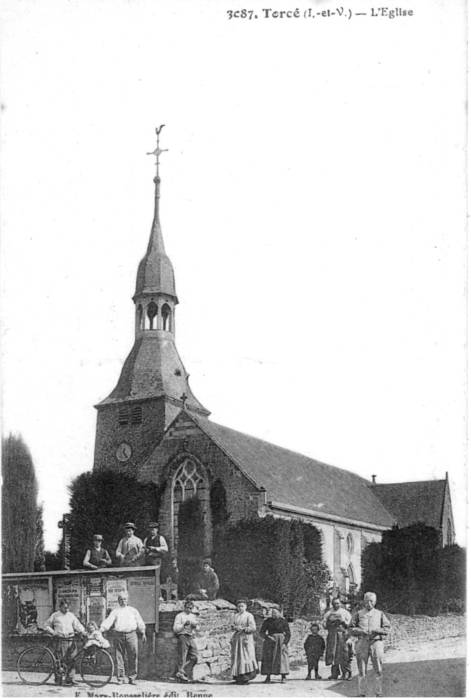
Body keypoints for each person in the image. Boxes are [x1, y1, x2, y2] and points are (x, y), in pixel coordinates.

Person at [350, 591, 390, 698]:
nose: (369, 603)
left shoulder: (380, 614)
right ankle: (362, 693)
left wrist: (377, 631)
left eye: (371, 601)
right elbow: (350, 628)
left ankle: (379, 692)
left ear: (375, 602)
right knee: (361, 668)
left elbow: (387, 628)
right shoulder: (358, 614)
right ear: (363, 601)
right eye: (367, 601)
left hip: (376, 642)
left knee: (378, 668)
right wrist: (360, 631)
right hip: (362, 642)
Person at [100, 592, 146, 685]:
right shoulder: (115, 611)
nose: (123, 601)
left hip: (131, 635)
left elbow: (139, 622)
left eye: (124, 599)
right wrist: (101, 629)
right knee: (119, 657)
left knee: (133, 656)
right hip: (119, 635)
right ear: (118, 601)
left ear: (127, 600)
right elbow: (108, 621)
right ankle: (120, 678)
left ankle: (132, 677)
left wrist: (143, 632)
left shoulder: (133, 610)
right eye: (121, 599)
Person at [44, 599, 86, 686]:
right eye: (64, 608)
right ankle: (58, 680)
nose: (66, 609)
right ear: (60, 607)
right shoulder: (55, 615)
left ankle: (70, 679)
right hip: (60, 640)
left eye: (67, 608)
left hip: (70, 639)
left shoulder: (71, 615)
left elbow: (77, 625)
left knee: (72, 659)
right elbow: (46, 625)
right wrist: (53, 632)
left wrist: (83, 631)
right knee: (60, 660)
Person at [230, 599, 258, 684]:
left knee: (246, 656)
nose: (240, 608)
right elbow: (232, 625)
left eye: (242, 606)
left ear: (245, 607)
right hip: (238, 638)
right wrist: (235, 627)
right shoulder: (235, 616)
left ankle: (246, 677)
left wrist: (244, 629)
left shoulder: (249, 615)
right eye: (238, 606)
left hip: (246, 637)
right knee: (237, 657)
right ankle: (238, 677)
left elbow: (253, 627)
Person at [322, 597, 351, 680]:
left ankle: (344, 673)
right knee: (332, 653)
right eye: (334, 603)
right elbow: (324, 624)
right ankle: (334, 674)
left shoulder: (345, 613)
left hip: (342, 635)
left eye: (338, 603)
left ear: (340, 603)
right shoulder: (328, 613)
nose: (336, 605)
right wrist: (328, 622)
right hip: (332, 635)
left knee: (342, 654)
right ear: (332, 604)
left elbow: (350, 624)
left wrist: (343, 621)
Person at [259, 607, 291, 683]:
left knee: (281, 658)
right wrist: (268, 637)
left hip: (280, 641)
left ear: (279, 613)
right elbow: (261, 632)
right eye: (273, 613)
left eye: (276, 612)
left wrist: (285, 643)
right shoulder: (267, 621)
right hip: (270, 641)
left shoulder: (283, 621)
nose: (274, 614)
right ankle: (268, 677)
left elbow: (288, 633)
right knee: (269, 658)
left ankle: (283, 676)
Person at [173, 598, 199, 683]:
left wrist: (195, 627)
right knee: (182, 656)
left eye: (191, 608)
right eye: (187, 608)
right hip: (182, 636)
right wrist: (183, 625)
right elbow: (175, 629)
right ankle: (182, 675)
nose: (189, 610)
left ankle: (182, 672)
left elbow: (197, 627)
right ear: (184, 607)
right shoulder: (180, 616)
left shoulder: (193, 616)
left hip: (190, 637)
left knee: (194, 656)